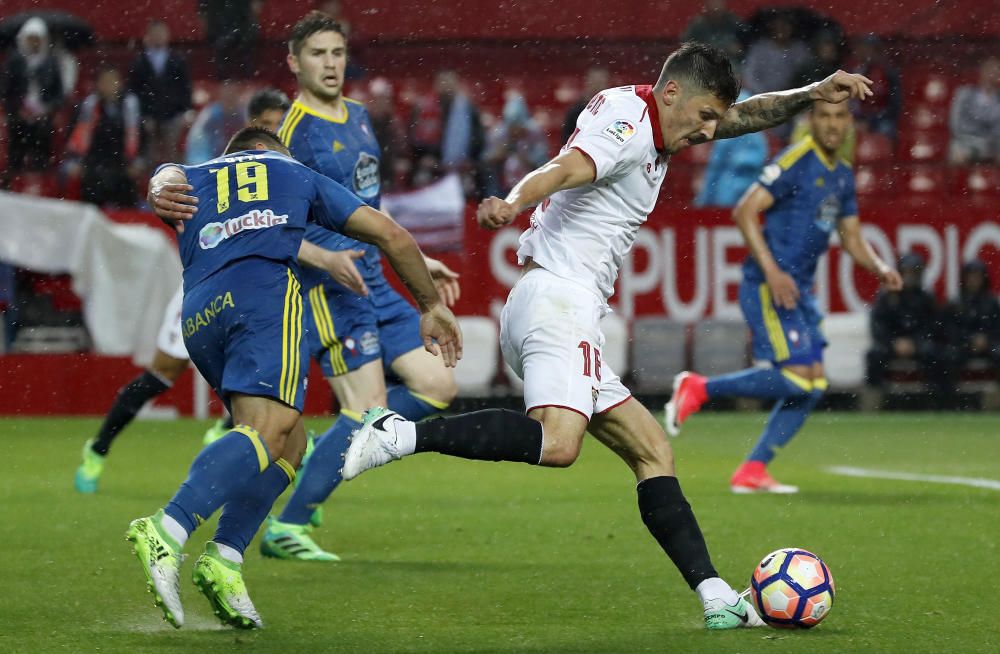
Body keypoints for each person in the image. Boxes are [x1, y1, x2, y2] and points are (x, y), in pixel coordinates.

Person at [340, 43, 875, 628]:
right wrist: (514, 201)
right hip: (558, 299)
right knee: (559, 444)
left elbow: (745, 116)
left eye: (713, 120)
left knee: (652, 450)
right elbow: (565, 167)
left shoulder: (657, 119)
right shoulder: (627, 127)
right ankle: (399, 434)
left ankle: (717, 597)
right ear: (671, 92)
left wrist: (811, 92)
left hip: (566, 305)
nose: (709, 131)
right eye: (702, 116)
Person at [127, 126, 461, 629]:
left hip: (199, 312)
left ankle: (225, 561)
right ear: (266, 153)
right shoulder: (291, 170)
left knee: (289, 442)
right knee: (269, 427)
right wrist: (431, 305)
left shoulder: (191, 178)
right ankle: (169, 527)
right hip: (262, 295)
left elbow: (163, 177)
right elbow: (391, 234)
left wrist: (160, 179)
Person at [73, 96, 361, 493]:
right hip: (208, 285)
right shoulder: (224, 166)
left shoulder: (287, 170)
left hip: (258, 288)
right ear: (256, 129)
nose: (280, 133)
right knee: (161, 376)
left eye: (284, 125)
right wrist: (326, 258)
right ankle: (99, 448)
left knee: (269, 361)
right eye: (273, 124)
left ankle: (233, 434)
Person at [259, 12, 461, 561]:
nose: (329, 63)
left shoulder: (359, 117)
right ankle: (288, 525)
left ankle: (321, 458)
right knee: (367, 408)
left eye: (337, 53)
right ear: (294, 62)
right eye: (317, 53)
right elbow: (272, 224)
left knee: (437, 385)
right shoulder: (290, 134)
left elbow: (372, 210)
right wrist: (324, 256)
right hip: (328, 287)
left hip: (374, 278)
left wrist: (419, 261)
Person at [666, 100, 902, 493]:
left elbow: (853, 237)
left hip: (799, 294)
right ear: (811, 122)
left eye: (839, 116)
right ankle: (699, 388)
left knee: (813, 386)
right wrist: (773, 272)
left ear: (848, 124)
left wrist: (880, 267)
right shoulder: (796, 159)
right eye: (824, 116)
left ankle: (753, 470)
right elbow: (744, 211)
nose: (831, 124)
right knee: (796, 376)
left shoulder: (842, 175)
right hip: (766, 285)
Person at [866, 253, 949, 395]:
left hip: (918, 344)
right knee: (875, 355)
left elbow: (933, 326)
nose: (910, 276)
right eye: (907, 272)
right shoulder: (886, 296)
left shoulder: (926, 298)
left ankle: (935, 395)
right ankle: (876, 396)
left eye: (914, 272)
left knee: (935, 354)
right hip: (891, 343)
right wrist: (894, 342)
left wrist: (915, 343)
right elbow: (878, 325)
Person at [64, 65, 142, 207]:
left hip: (121, 164)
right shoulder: (88, 107)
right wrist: (74, 161)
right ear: (98, 84)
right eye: (105, 82)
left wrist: (137, 161)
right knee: (91, 188)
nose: (109, 86)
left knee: (127, 189)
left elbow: (141, 138)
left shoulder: (130, 106)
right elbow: (75, 137)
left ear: (120, 83)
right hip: (93, 164)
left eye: (113, 81)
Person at [1, 17, 64, 175]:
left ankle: (40, 188)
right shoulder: (14, 61)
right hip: (18, 117)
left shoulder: (51, 63)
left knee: (41, 156)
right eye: (31, 39)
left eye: (37, 40)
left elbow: (59, 94)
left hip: (42, 118)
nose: (34, 43)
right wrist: (16, 109)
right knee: (16, 156)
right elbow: (6, 90)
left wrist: (46, 108)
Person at [409, 69, 486, 194]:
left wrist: (471, 158)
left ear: (457, 84)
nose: (446, 86)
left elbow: (478, 137)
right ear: (436, 85)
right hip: (432, 167)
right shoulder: (423, 107)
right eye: (442, 82)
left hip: (462, 169)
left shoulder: (468, 108)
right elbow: (413, 136)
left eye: (449, 82)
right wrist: (423, 157)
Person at [128, 20, 193, 167]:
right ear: (147, 36)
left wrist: (186, 109)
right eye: (155, 33)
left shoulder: (177, 60)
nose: (158, 37)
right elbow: (134, 91)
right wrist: (143, 115)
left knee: (173, 152)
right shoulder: (139, 62)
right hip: (148, 115)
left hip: (173, 113)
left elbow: (185, 87)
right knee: (150, 154)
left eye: (161, 33)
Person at [694, 88, 767, 208]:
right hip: (748, 195)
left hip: (727, 196)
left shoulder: (728, 132)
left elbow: (716, 167)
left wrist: (703, 201)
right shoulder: (757, 135)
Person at [942, 260, 1000, 382]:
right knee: (947, 357)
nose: (973, 280)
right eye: (970, 276)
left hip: (989, 346)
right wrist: (970, 339)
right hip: (963, 346)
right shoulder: (956, 303)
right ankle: (949, 396)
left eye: (977, 277)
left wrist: (986, 340)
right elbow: (950, 330)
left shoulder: (992, 303)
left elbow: (996, 327)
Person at [484, 93, 549, 196]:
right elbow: (486, 159)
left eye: (517, 127)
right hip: (502, 188)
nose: (514, 131)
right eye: (511, 127)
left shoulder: (534, 133)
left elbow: (544, 164)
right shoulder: (498, 134)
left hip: (529, 187)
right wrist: (500, 154)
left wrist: (526, 157)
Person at [847, 35, 902, 142]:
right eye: (863, 48)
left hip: (879, 120)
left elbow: (894, 106)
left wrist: (871, 121)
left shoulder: (888, 73)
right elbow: (850, 103)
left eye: (870, 48)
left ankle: (886, 157)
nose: (866, 52)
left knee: (887, 128)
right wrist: (854, 119)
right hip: (855, 119)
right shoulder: (853, 71)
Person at [948, 57, 1000, 165]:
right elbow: (956, 124)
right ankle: (959, 180)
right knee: (958, 153)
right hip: (968, 142)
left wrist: (991, 142)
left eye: (996, 72)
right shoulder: (964, 94)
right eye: (990, 71)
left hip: (994, 144)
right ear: (982, 72)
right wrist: (977, 140)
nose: (993, 75)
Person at [742, 14, 810, 94]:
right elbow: (750, 76)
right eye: (778, 26)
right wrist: (765, 95)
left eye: (785, 26)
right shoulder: (759, 49)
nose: (781, 30)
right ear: (771, 28)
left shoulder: (799, 49)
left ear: (792, 28)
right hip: (761, 96)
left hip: (793, 96)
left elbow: (806, 74)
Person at [185, 80, 246, 164]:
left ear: (238, 96)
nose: (230, 99)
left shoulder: (245, 115)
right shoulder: (209, 117)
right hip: (212, 164)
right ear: (220, 96)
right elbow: (197, 146)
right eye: (227, 96)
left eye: (233, 95)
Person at [681, 0, 745, 65]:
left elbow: (746, 43)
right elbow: (685, 46)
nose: (715, 6)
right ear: (707, 6)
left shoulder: (733, 22)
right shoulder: (698, 25)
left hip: (733, 65)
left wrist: (738, 48)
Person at [561, 66, 610, 144]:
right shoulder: (576, 110)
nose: (597, 86)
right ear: (588, 82)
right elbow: (566, 140)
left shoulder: (611, 108)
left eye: (600, 82)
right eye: (595, 82)